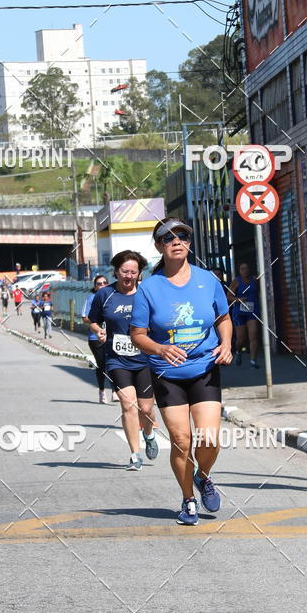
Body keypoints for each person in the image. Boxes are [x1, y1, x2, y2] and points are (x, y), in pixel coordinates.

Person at [131, 218, 232, 525]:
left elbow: (223, 318)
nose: (176, 241)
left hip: (205, 367)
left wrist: (226, 343)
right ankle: (188, 499)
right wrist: (160, 349)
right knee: (181, 440)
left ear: (189, 242)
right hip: (167, 373)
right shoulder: (148, 289)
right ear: (159, 246)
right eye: (168, 237)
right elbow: (138, 335)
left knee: (210, 437)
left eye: (183, 236)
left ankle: (203, 476)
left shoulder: (208, 280)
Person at [88, 251, 159, 470]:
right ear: (116, 271)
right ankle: (135, 454)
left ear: (140, 274)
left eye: (133, 272)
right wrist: (99, 330)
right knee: (128, 404)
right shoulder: (105, 295)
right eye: (124, 271)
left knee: (146, 409)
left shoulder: (147, 293)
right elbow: (93, 319)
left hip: (145, 359)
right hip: (117, 359)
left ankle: (148, 434)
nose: (128, 276)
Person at [82, 274, 109, 403]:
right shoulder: (91, 299)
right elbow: (85, 318)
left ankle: (116, 391)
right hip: (95, 337)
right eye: (99, 283)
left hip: (113, 336)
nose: (102, 285)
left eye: (104, 283)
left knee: (114, 364)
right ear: (95, 286)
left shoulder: (113, 297)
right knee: (102, 365)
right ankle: (102, 390)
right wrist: (98, 320)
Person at [228, 261, 260, 368]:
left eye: (246, 268)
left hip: (252, 311)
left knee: (253, 335)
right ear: (239, 270)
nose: (245, 271)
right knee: (241, 338)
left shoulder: (255, 280)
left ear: (249, 269)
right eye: (242, 269)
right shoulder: (236, 281)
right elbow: (229, 296)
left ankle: (253, 361)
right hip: (239, 312)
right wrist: (239, 300)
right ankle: (238, 352)